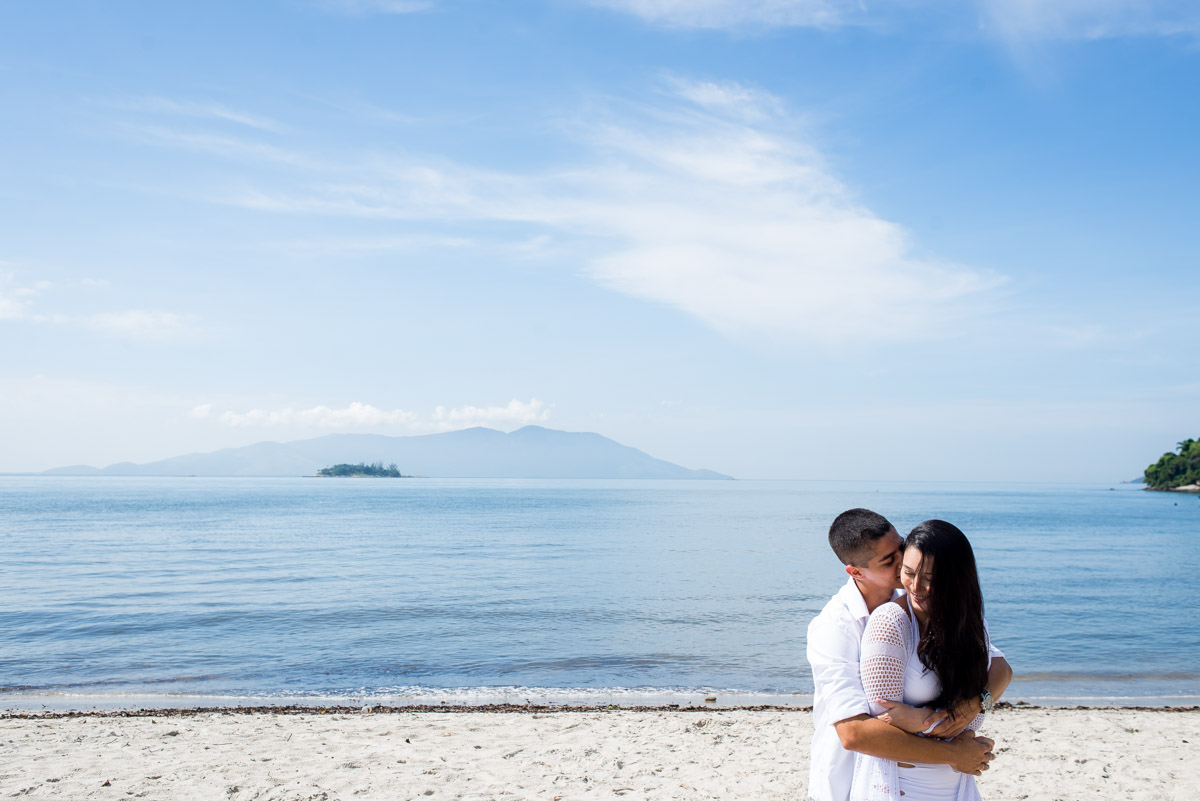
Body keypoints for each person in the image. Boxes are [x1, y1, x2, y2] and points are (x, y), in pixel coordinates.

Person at [807, 509, 1011, 801]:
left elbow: (1000, 667)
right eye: (889, 560)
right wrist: (953, 751)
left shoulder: (919, 601)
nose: (903, 562)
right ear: (856, 572)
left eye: (901, 547)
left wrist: (973, 706)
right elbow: (854, 732)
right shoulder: (835, 628)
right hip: (849, 780)